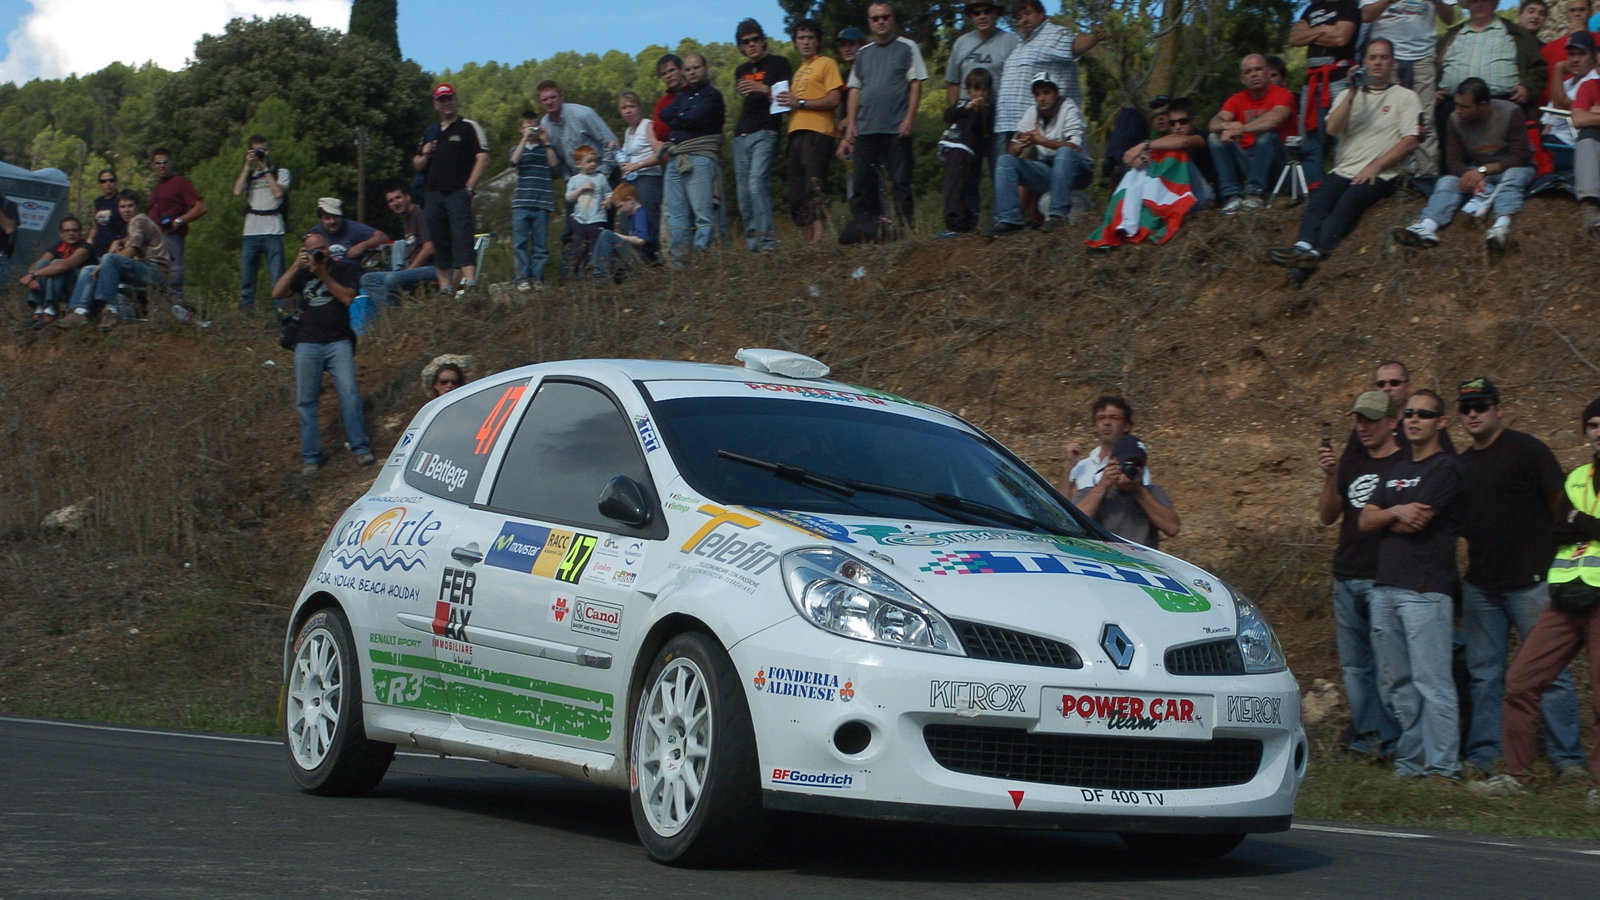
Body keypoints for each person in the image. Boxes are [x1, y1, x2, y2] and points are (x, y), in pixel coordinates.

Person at [1453, 377, 1587, 778]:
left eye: (1481, 406)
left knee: (1553, 675)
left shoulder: (1528, 450)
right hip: (1481, 585)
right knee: (1484, 676)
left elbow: (1561, 508)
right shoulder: (1462, 464)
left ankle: (1568, 759)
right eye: (1466, 409)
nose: (1473, 414)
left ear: (1499, 409)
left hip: (1533, 583)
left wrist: (1556, 562)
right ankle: (1486, 755)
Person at [1359, 389, 1465, 780]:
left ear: (1441, 422)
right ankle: (1412, 761)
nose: (1414, 419)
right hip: (1385, 586)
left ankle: (1442, 767)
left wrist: (1389, 515)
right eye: (1409, 413)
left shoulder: (1446, 468)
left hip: (1425, 589)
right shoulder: (1397, 467)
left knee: (1431, 682)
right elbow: (1364, 520)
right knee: (1396, 683)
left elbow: (1417, 522)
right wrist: (1397, 512)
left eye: (1424, 413)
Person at [1268, 39, 1421, 283]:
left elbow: (1411, 139)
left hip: (1383, 173)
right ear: (1364, 62)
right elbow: (1332, 129)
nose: (1378, 63)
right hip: (1345, 169)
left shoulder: (1406, 97)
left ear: (1393, 62)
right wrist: (1351, 93)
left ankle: (1316, 254)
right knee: (1320, 199)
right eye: (1372, 58)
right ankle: (1302, 247)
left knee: (1348, 203)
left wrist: (1376, 166)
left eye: (1383, 58)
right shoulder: (1348, 95)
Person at [1318, 390, 1405, 760]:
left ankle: (1394, 740)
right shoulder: (1352, 463)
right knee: (1355, 668)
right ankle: (1367, 739)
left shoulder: (1405, 465)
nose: (1363, 426)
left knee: (1390, 668)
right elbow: (1327, 515)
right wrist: (1331, 475)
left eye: (1371, 419)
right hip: (1346, 575)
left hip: (1383, 577)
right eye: (1359, 419)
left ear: (1392, 422)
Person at [272, 232, 374, 476]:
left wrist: (323, 274)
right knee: (306, 401)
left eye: (321, 248)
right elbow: (277, 293)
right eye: (312, 250)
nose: (319, 253)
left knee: (350, 394)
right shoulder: (302, 273)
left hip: (338, 341)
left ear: (328, 249)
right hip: (307, 343)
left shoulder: (344, 269)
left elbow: (347, 298)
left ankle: (360, 447)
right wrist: (296, 264)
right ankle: (311, 456)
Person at [1394, 77, 1535, 251]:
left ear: (1483, 105)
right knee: (1447, 182)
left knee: (1513, 177)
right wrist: (1471, 176)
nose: (1458, 111)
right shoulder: (1454, 120)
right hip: (1477, 169)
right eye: (1456, 105)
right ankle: (1427, 225)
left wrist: (1483, 171)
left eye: (1464, 106)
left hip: (1509, 167)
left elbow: (1520, 156)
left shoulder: (1510, 112)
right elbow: (1453, 161)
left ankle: (1501, 225)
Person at [844, 3, 928, 233]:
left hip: (896, 127)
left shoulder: (907, 47)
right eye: (875, 18)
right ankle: (866, 231)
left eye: (885, 17)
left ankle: (907, 231)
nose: (880, 21)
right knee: (863, 184)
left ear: (892, 19)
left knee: (900, 182)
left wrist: (909, 118)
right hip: (866, 128)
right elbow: (855, 89)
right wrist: (851, 123)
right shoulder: (863, 53)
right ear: (869, 22)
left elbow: (916, 83)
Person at [1085, 98, 1208, 247]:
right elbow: (1130, 160)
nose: (1177, 126)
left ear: (1193, 120)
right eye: (1173, 123)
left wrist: (1143, 146)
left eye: (1183, 122)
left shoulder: (1200, 136)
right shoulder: (1158, 142)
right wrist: (1142, 159)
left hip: (1201, 197)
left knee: (1178, 151)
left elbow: (1184, 142)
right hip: (1177, 196)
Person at [1361, 0, 1458, 176]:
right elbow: (1366, 15)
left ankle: (1427, 174)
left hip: (1423, 56)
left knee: (1424, 119)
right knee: (1386, 117)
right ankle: (1389, 174)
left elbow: (1449, 18)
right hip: (1385, 57)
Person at [945, 1, 1019, 230]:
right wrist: (956, 115)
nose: (982, 16)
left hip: (999, 116)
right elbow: (953, 81)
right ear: (970, 16)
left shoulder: (1010, 41)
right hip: (968, 119)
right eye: (976, 12)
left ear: (996, 13)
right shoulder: (961, 43)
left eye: (987, 11)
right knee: (968, 171)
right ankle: (969, 221)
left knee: (999, 168)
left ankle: (1002, 219)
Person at [988, 73, 1089, 234]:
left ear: (1057, 94)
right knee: (1005, 161)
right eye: (1037, 94)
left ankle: (1057, 215)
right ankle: (1009, 220)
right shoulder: (1031, 112)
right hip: (1048, 170)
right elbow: (1013, 148)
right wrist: (1020, 145)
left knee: (1064, 152)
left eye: (1046, 92)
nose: (1041, 98)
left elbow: (1074, 147)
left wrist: (1042, 141)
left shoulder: (1069, 108)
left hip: (1078, 170)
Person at [415, 83, 489, 296]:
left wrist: (469, 188)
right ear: (435, 104)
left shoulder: (468, 127)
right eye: (441, 100)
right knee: (439, 240)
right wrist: (425, 153)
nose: (446, 103)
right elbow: (417, 164)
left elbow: (483, 157)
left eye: (448, 98)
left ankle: (470, 283)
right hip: (433, 193)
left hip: (457, 192)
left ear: (455, 100)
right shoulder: (431, 131)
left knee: (462, 236)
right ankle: (445, 288)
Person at [776, 18, 844, 244]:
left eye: (810, 38)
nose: (805, 42)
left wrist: (801, 102)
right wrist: (783, 103)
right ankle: (808, 245)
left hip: (818, 131)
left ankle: (819, 240)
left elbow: (834, 99)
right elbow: (795, 105)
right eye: (801, 38)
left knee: (814, 185)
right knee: (796, 192)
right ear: (795, 43)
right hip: (795, 132)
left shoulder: (827, 63)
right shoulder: (798, 72)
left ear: (817, 41)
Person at [997, 0, 1099, 149]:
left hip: (1036, 127)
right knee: (1006, 162)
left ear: (1041, 13)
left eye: (1027, 13)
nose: (1023, 20)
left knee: (1032, 164)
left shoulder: (1054, 34)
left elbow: (1075, 44)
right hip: (1009, 124)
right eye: (1019, 17)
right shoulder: (1021, 42)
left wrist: (1098, 34)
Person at [731, 19, 792, 253]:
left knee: (757, 184)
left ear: (763, 40)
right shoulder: (741, 71)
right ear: (741, 47)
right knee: (743, 194)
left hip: (766, 130)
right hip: (741, 134)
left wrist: (764, 88)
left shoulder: (779, 63)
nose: (751, 44)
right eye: (746, 42)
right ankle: (754, 245)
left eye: (755, 39)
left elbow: (785, 98)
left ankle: (767, 243)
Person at [1438, 0, 1548, 129]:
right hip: (1454, 108)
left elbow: (1538, 68)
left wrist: (1527, 88)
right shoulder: (1451, 36)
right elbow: (1432, 66)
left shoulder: (1517, 34)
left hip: (1504, 107)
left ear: (1495, 3)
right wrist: (1433, 90)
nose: (1479, 4)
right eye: (1474, 1)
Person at [660, 53, 726, 266]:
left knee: (703, 213)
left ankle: (701, 260)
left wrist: (681, 119)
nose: (692, 72)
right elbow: (664, 115)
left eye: (696, 67)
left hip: (699, 156)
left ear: (705, 68)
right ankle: (680, 262)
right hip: (676, 157)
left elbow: (698, 117)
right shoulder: (683, 97)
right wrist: (685, 118)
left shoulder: (712, 96)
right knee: (676, 215)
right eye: (688, 69)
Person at [1208, 53, 1296, 213]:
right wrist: (1226, 126)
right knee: (1215, 137)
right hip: (1248, 162)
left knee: (1266, 135)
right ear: (1242, 79)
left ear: (1267, 72)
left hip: (1279, 165)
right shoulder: (1236, 99)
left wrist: (1241, 129)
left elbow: (1274, 119)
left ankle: (1254, 194)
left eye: (1258, 69)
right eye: (1248, 71)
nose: (1254, 74)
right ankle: (1232, 196)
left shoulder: (1283, 94)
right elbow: (1214, 123)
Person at [1289, 0, 1362, 188]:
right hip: (1312, 82)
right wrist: (1324, 29)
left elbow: (1341, 38)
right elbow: (1294, 38)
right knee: (1310, 138)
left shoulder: (1348, 5)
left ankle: (1342, 184)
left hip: (1339, 77)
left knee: (1343, 135)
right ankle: (1314, 188)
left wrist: (1311, 33)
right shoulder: (1311, 8)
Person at [1071, 434, 1180, 548]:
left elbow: (1172, 528)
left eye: (1138, 465)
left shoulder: (1153, 493)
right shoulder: (1089, 493)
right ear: (1111, 462)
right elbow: (1072, 523)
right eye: (1127, 463)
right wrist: (1102, 486)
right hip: (1104, 555)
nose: (1133, 468)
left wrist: (1139, 492)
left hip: (1141, 557)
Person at [232, 134, 290, 315]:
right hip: (251, 230)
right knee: (246, 282)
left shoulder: (280, 172)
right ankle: (245, 318)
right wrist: (246, 166)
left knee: (277, 279)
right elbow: (237, 192)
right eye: (256, 150)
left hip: (273, 230)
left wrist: (265, 169)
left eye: (263, 150)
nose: (260, 153)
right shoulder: (250, 175)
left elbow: (278, 193)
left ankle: (281, 317)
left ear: (268, 151)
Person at [146, 148, 207, 307]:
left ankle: (177, 307)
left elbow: (201, 207)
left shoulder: (180, 183)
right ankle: (162, 308)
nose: (161, 166)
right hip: (154, 239)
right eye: (157, 163)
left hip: (171, 236)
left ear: (171, 163)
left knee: (174, 273)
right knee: (157, 278)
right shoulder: (157, 187)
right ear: (152, 166)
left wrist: (178, 221)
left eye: (165, 162)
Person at [359, 183, 436, 307]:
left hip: (432, 268)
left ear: (407, 197)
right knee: (368, 279)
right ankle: (396, 310)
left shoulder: (419, 214)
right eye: (390, 201)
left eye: (398, 197)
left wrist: (409, 270)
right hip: (413, 268)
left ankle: (399, 311)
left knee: (392, 279)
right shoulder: (406, 219)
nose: (395, 203)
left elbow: (429, 248)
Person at [939, 67, 995, 236]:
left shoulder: (986, 109)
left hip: (967, 152)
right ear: (968, 89)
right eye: (976, 89)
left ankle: (958, 225)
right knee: (953, 185)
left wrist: (977, 111)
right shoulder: (961, 104)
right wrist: (966, 107)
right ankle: (961, 223)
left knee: (961, 186)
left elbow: (979, 129)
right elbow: (947, 115)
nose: (979, 94)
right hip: (953, 147)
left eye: (983, 90)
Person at [1059, 395, 1154, 493]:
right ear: (1095, 426)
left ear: (1126, 426)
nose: (1106, 423)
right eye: (1101, 418)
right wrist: (1069, 465)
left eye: (1114, 418)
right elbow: (1062, 501)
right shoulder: (1082, 466)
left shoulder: (1133, 467)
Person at [510, 111, 557, 291]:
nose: (532, 130)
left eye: (534, 126)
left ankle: (537, 277)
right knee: (520, 243)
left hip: (542, 202)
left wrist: (546, 141)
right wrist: (524, 140)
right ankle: (522, 277)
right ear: (520, 129)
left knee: (540, 243)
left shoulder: (545, 148)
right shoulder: (516, 148)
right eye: (528, 126)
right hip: (521, 202)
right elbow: (514, 161)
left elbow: (554, 164)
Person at [18, 217, 92, 328]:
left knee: (57, 264)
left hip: (76, 290)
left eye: (75, 230)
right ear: (61, 233)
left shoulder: (85, 247)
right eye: (67, 230)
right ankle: (39, 310)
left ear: (80, 232)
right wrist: (32, 279)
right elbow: (36, 264)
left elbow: (64, 266)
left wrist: (33, 275)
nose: (71, 233)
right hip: (59, 287)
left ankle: (51, 310)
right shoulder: (60, 246)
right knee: (42, 264)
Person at [1542, 29, 1598, 170]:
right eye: (1571, 54)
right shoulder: (1567, 83)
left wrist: (1558, 69)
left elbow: (1561, 104)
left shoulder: (1593, 81)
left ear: (1593, 58)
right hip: (1552, 139)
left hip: (1570, 144)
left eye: (1582, 54)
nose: (1575, 59)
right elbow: (1549, 119)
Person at [615, 91, 663, 241]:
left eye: (632, 106)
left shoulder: (647, 125)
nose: (628, 111)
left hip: (648, 178)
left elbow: (660, 154)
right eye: (624, 108)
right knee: (627, 219)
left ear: (639, 108)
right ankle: (630, 254)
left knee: (648, 218)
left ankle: (651, 252)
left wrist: (637, 165)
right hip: (630, 179)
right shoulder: (628, 132)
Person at [593, 182, 658, 280]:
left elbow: (641, 240)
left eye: (620, 206)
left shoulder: (640, 214)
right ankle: (599, 270)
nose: (620, 211)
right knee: (605, 236)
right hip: (635, 257)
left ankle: (601, 275)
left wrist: (616, 236)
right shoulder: (632, 216)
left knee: (606, 234)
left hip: (642, 260)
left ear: (629, 200)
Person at [565, 146, 609, 278]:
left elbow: (609, 193)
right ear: (579, 164)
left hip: (597, 218)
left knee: (595, 247)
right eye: (589, 161)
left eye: (595, 161)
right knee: (578, 248)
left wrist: (608, 201)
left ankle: (596, 273)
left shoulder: (600, 178)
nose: (593, 164)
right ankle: (578, 275)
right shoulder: (574, 180)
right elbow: (569, 197)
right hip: (580, 219)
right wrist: (581, 189)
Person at [1570, 41, 1600, 232]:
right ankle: (1590, 205)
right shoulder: (1589, 86)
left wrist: (1595, 113)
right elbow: (1578, 119)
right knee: (1587, 133)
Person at [309, 198, 388, 264]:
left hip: (351, 271)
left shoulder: (353, 227)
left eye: (335, 217)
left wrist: (363, 245)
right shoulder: (315, 232)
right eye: (327, 218)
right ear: (320, 220)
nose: (332, 221)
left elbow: (383, 237)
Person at [87, 168, 125, 259]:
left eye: (111, 180)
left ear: (116, 182)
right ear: (100, 184)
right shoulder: (98, 202)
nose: (107, 184)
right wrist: (89, 240)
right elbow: (95, 226)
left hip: (114, 249)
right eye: (103, 181)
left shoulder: (121, 200)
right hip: (97, 248)